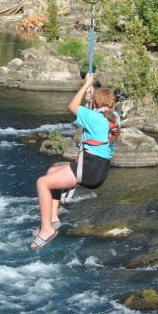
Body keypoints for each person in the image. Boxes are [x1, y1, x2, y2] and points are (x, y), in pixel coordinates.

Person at [30, 74, 119, 250]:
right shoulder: (114, 118)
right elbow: (97, 116)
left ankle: (46, 229)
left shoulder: (94, 118)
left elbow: (72, 106)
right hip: (99, 170)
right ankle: (53, 218)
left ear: (96, 104)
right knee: (52, 172)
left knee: (42, 183)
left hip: (88, 169)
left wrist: (86, 85)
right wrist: (91, 101)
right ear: (112, 104)